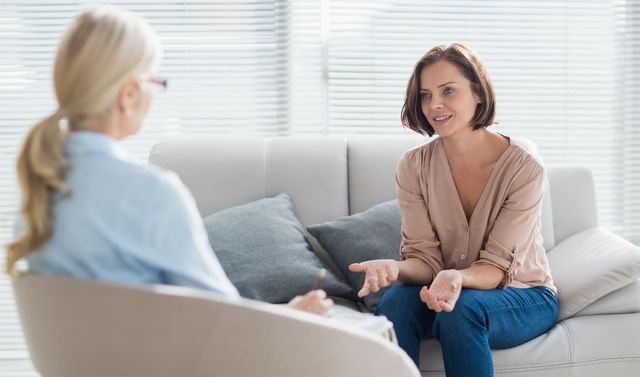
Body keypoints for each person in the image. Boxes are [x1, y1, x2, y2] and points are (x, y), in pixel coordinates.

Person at [6, 6, 332, 317]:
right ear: (129, 95)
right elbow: (222, 321)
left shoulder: (38, 198)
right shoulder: (150, 194)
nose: (155, 94)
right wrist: (293, 316)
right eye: (154, 82)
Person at [348, 43, 558, 376]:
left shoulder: (524, 169)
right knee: (395, 303)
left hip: (522, 295)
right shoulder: (413, 166)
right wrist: (395, 268)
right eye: (425, 95)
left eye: (448, 91)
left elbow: (495, 268)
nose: (435, 105)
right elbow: (425, 260)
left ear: (478, 91)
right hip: (445, 290)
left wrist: (456, 277)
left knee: (462, 308)